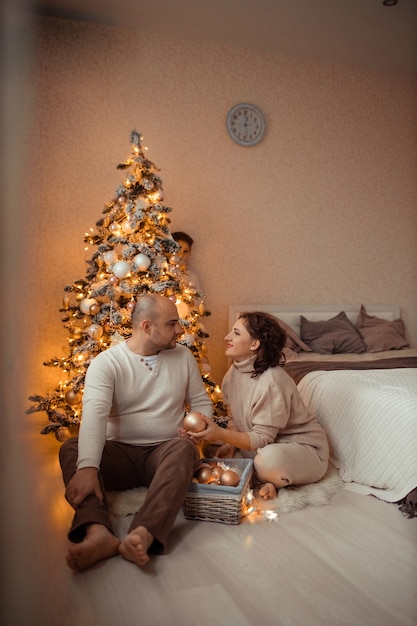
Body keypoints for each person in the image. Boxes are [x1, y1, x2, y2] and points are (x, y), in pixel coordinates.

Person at [59, 294, 213, 571]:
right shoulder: (107, 363)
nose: (180, 330)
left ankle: (144, 531)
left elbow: (201, 402)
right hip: (118, 454)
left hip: (164, 452)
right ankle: (98, 532)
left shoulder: (183, 356)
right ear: (146, 327)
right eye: (172, 324)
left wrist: (199, 426)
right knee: (71, 448)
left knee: (184, 449)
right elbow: (94, 416)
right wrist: (88, 467)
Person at [189, 311, 329, 500]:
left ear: (254, 344)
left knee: (266, 461)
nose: (227, 337)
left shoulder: (271, 380)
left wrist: (222, 434)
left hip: (302, 450)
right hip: (265, 446)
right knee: (211, 451)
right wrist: (229, 444)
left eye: (236, 333)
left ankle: (267, 478)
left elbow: (263, 439)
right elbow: (233, 416)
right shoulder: (233, 373)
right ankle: (266, 481)